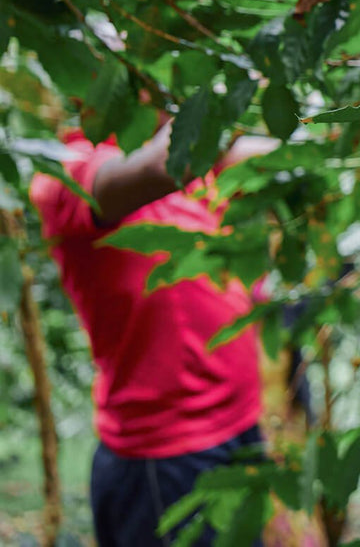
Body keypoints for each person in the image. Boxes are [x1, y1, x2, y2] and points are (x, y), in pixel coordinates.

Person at [28, 120, 272, 547]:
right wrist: (211, 96)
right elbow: (163, 162)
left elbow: (275, 154)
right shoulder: (67, 170)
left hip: (235, 427)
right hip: (165, 457)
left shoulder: (197, 167)